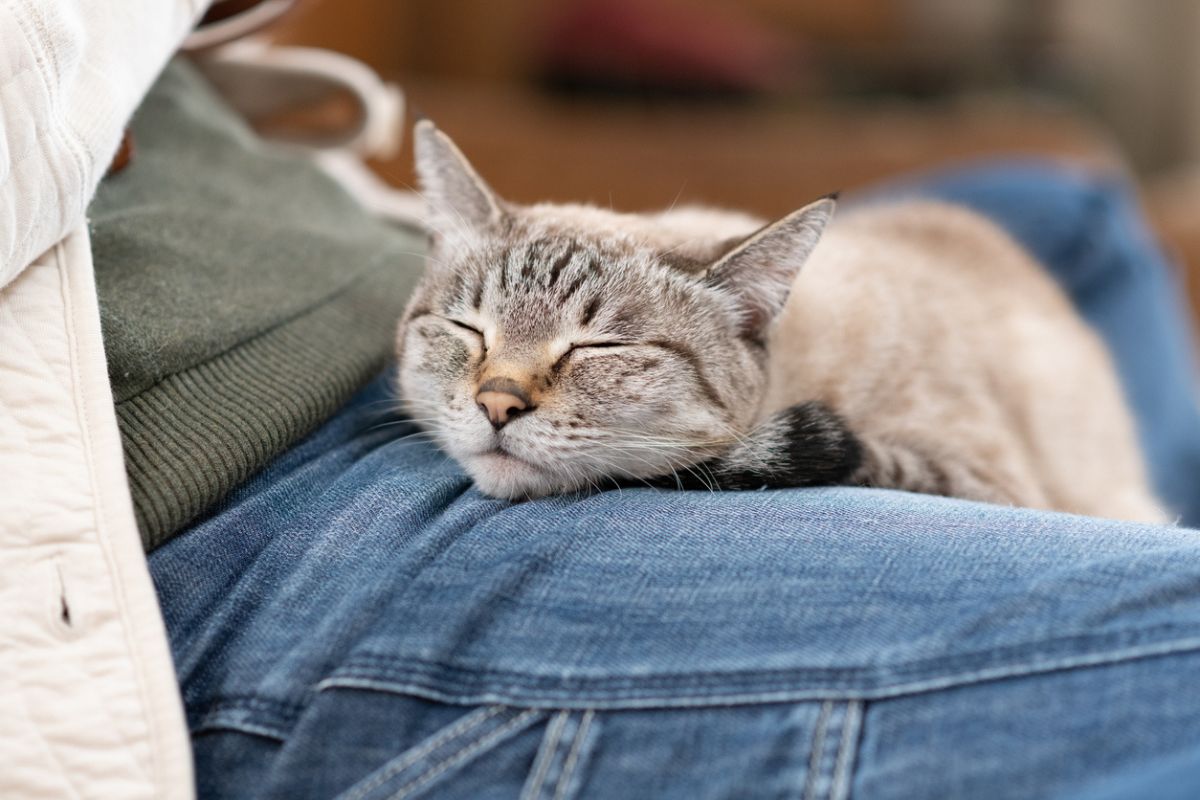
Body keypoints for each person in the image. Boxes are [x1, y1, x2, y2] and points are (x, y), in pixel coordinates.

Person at [4, 3, 1200, 798]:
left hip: (349, 251)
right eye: (488, 357)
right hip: (248, 513)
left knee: (1073, 208)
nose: (505, 393)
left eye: (588, 357)